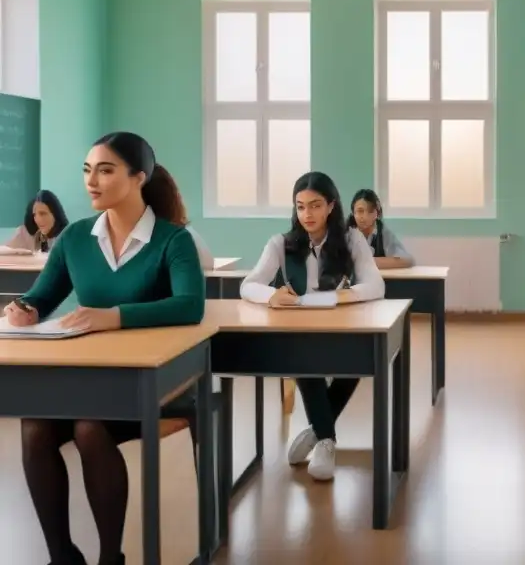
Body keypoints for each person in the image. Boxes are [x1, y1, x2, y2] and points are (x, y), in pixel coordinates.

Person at [2, 132, 205, 565]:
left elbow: (190, 305)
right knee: (35, 426)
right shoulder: (75, 238)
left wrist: (113, 315)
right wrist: (23, 310)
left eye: (106, 170)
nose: (92, 181)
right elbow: (39, 297)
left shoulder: (173, 240)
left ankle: (111, 557)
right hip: (87, 378)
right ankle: (62, 556)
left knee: (89, 429)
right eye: (87, 170)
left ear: (138, 177)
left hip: (157, 380)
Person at [240, 172, 385, 481]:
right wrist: (272, 296)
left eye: (316, 205)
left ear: (331, 206)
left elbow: (376, 284)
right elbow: (248, 285)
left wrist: (345, 296)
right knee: (304, 355)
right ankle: (326, 440)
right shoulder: (281, 243)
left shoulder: (351, 239)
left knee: (362, 358)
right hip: (300, 331)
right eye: (301, 206)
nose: (307, 214)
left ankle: (317, 429)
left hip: (341, 326)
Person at [347, 188, 415, 269]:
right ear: (353, 212)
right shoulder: (346, 232)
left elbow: (406, 260)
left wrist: (370, 262)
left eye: (370, 211)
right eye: (360, 211)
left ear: (377, 213)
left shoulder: (383, 232)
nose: (364, 216)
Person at [4, 190, 69, 253]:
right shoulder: (25, 233)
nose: (38, 220)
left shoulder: (67, 237)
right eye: (34, 215)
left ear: (55, 214)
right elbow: (6, 253)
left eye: (43, 214)